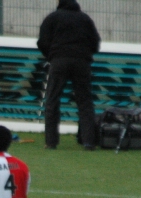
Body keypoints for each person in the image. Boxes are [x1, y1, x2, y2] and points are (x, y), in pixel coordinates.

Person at [37, 0, 100, 151]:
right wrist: (84, 55)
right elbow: (95, 42)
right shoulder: (85, 19)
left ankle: (51, 142)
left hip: (59, 61)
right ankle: (88, 142)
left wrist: (52, 56)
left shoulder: (52, 18)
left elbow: (42, 42)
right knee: (85, 102)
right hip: (81, 63)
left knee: (52, 100)